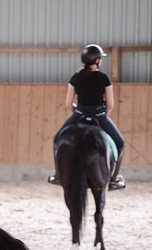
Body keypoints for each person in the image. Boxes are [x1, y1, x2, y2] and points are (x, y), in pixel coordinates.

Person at [49, 44, 126, 190]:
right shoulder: (104, 78)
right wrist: (102, 116)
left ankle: (58, 175)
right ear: (97, 61)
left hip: (79, 114)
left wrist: (79, 113)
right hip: (99, 116)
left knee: (57, 140)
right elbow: (110, 104)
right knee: (120, 144)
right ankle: (114, 179)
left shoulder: (75, 78)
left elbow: (67, 104)